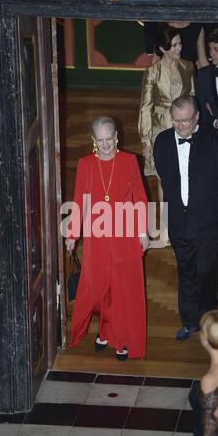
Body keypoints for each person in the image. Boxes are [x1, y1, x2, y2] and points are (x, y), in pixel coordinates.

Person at [65, 116, 149, 361]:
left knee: (124, 290)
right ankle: (104, 331)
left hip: (125, 233)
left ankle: (123, 339)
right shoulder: (85, 164)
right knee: (99, 288)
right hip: (97, 236)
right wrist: (73, 234)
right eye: (100, 141)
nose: (105, 145)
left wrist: (142, 231)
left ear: (116, 137)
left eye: (109, 139)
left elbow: (140, 198)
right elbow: (79, 200)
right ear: (93, 140)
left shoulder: (128, 160)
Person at [154, 95, 218, 341]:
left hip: (207, 225)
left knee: (206, 275)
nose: (179, 126)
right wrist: (163, 220)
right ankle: (189, 322)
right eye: (175, 121)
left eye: (185, 121)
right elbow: (162, 182)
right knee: (186, 273)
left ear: (197, 118)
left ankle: (209, 323)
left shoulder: (214, 142)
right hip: (178, 224)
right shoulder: (162, 142)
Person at [138, 25, 195, 246]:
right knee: (164, 179)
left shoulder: (188, 66)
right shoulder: (152, 73)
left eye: (180, 44)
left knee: (186, 174)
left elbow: (192, 98)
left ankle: (186, 221)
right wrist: (146, 141)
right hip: (161, 130)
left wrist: (194, 125)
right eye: (174, 46)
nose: (179, 48)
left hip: (185, 127)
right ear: (162, 49)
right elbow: (145, 108)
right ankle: (167, 228)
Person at [143, 21, 209, 69]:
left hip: (188, 77)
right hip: (167, 76)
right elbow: (156, 59)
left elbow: (203, 60)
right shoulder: (162, 26)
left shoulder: (197, 27)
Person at [196, 28, 218, 129]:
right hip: (213, 134)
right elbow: (200, 109)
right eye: (210, 49)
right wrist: (215, 123)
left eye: (216, 49)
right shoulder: (204, 75)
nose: (211, 54)